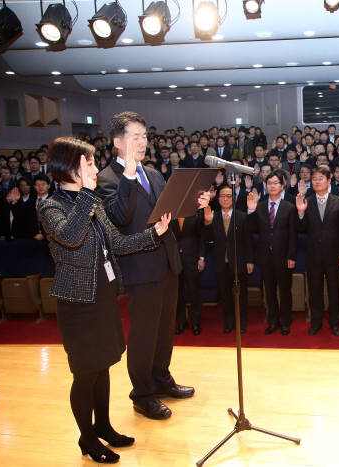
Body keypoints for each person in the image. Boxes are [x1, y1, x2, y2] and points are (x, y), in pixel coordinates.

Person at [38, 136, 173, 464]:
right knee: (85, 373)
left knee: (103, 366)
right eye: (89, 164)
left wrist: (153, 234)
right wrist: (86, 193)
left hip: (103, 296)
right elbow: (70, 237)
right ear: (71, 168)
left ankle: (104, 428)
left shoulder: (92, 202)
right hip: (77, 302)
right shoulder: (51, 205)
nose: (96, 169)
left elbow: (117, 242)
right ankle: (87, 439)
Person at [96, 111, 201, 421]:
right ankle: (142, 394)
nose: (142, 142)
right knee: (143, 334)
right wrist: (128, 176)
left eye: (144, 137)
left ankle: (161, 379)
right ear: (117, 142)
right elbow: (120, 218)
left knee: (165, 329)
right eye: (135, 137)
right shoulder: (106, 179)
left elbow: (170, 218)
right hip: (140, 268)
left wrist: (196, 206)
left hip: (167, 262)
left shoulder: (154, 174)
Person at [295, 166, 339, 336]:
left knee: (335, 291)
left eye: (321, 178)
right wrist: (300, 213)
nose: (317, 181)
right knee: (314, 291)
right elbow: (301, 228)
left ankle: (335, 323)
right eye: (314, 179)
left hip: (334, 255)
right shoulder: (307, 202)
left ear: (329, 180)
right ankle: (316, 322)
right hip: (313, 255)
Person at [246, 171, 297, 335]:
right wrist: (251, 211)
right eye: (269, 183)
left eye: (276, 183)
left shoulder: (289, 207)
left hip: (283, 257)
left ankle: (286, 322)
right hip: (265, 257)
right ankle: (273, 321)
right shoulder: (259, 206)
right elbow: (252, 229)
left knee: (284, 291)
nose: (272, 186)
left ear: (282, 186)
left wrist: (291, 256)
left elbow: (293, 235)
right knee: (269, 292)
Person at [205, 184, 254, 333]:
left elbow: (248, 242)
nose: (226, 199)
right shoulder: (212, 216)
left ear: (233, 198)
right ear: (218, 199)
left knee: (241, 295)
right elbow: (207, 239)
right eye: (222, 196)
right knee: (225, 295)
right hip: (221, 263)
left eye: (229, 196)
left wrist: (250, 261)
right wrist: (207, 223)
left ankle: (242, 323)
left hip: (239, 262)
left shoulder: (242, 216)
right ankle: (229, 322)